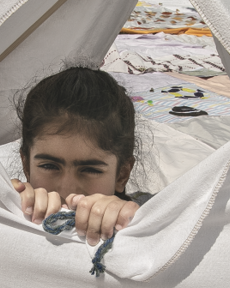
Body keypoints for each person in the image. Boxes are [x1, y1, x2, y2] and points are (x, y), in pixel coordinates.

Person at [11, 65, 141, 247]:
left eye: (90, 170)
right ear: (26, 165)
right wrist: (8, 201)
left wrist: (133, 221)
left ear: (122, 174)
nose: (68, 191)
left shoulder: (139, 231)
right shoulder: (10, 212)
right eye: (49, 166)